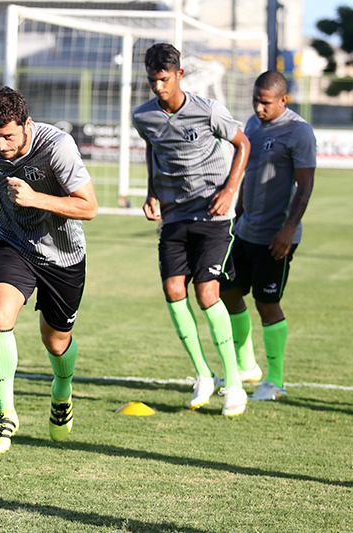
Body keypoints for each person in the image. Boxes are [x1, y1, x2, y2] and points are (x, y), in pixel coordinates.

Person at [0, 87, 98, 454]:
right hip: (13, 242)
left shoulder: (57, 147)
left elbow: (89, 207)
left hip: (64, 256)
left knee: (56, 341)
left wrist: (34, 198)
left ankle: (62, 390)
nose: (1, 146)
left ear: (27, 124)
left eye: (9, 136)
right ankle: (6, 413)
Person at [131, 43, 251, 416]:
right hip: (174, 216)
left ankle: (234, 384)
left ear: (180, 74)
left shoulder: (208, 110)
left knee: (207, 292)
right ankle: (203, 374)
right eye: (152, 80)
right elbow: (151, 148)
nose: (158, 87)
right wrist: (151, 191)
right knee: (172, 289)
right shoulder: (143, 116)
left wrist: (229, 191)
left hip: (213, 216)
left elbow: (242, 144)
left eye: (164, 79)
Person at [220, 70, 316, 400]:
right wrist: (239, 212)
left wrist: (288, 229)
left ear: (283, 100)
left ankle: (275, 381)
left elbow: (305, 185)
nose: (259, 108)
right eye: (255, 101)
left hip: (276, 236)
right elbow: (249, 172)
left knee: (267, 303)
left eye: (266, 103)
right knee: (228, 292)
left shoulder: (299, 131)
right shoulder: (253, 124)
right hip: (245, 229)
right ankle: (246, 366)